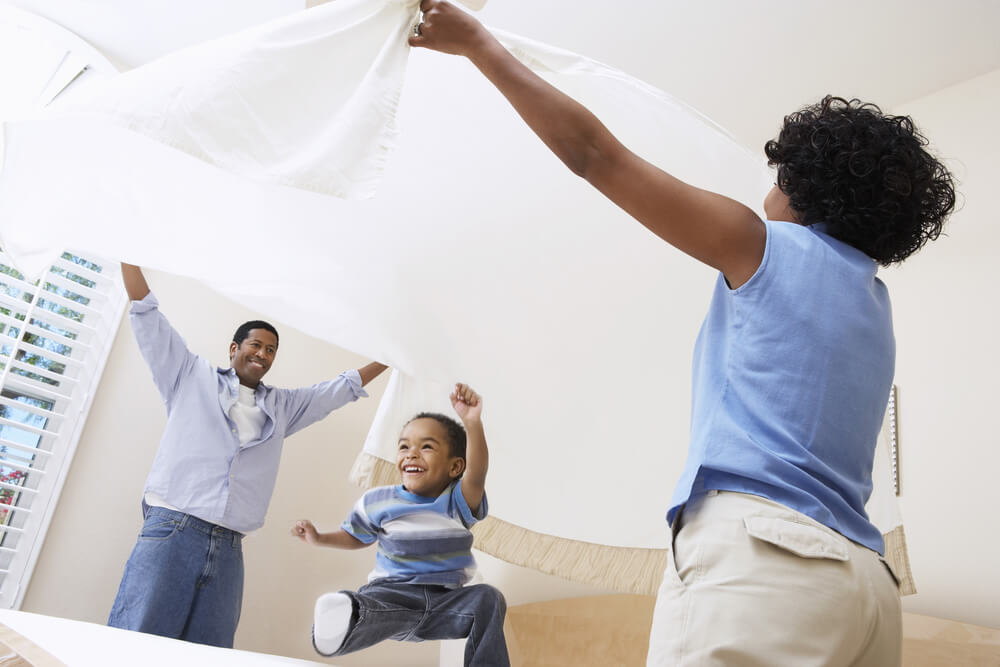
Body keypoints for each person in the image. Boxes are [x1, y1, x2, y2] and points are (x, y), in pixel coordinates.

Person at [408, 4, 956, 666]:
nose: (765, 192)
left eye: (776, 177)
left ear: (805, 190)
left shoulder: (763, 246)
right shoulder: (875, 304)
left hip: (765, 562)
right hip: (866, 584)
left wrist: (476, 43)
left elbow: (592, 154)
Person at [108, 263, 388, 648]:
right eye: (256, 344)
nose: (263, 353)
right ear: (234, 348)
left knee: (210, 651)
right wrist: (129, 256)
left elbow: (338, 390)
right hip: (172, 529)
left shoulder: (284, 406)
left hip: (228, 547)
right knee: (134, 643)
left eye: (271, 349)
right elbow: (147, 314)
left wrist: (391, 357)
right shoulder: (189, 375)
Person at [291, 383, 509, 666]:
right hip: (392, 597)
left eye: (427, 446)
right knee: (367, 605)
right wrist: (319, 538)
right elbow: (356, 535)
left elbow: (477, 472)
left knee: (489, 599)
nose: (411, 453)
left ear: (455, 467)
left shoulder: (457, 501)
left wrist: (472, 422)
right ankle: (340, 624)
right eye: (404, 446)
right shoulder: (379, 501)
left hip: (448, 604)